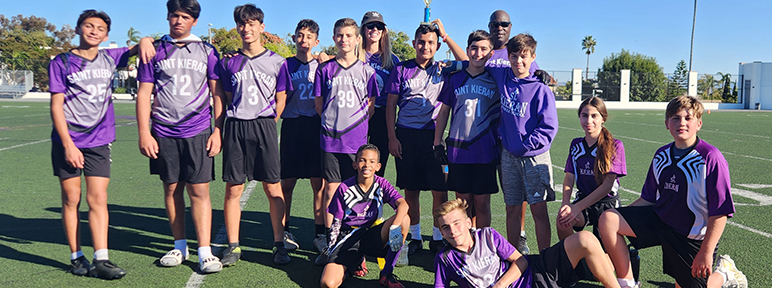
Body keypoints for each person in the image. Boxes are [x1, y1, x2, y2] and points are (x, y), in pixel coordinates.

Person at [598, 96, 747, 288]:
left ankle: (725, 273)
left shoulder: (710, 157)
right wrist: (619, 219)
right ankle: (627, 284)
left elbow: (720, 212)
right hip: (661, 222)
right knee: (608, 219)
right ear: (667, 123)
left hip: (691, 236)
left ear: (699, 123)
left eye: (688, 118)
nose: (682, 123)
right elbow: (648, 198)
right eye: (675, 118)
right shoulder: (661, 155)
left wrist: (706, 252)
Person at [49, 9, 153, 280]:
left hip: (99, 140)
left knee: (99, 199)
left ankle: (101, 258)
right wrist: (68, 145)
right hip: (69, 140)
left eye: (99, 28)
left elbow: (140, 45)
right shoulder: (62, 62)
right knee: (72, 198)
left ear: (107, 35)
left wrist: (144, 40)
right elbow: (57, 106)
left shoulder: (110, 57)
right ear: (78, 28)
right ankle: (76, 257)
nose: (94, 31)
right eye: (88, 26)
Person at [136, 0, 225, 273]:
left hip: (197, 129)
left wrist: (218, 130)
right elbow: (144, 93)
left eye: (185, 16)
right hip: (163, 129)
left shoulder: (207, 51)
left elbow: (217, 93)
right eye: (174, 15)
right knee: (172, 188)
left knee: (199, 190)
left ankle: (205, 250)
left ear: (194, 21)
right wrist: (143, 132)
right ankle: (179, 245)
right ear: (167, 16)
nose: (178, 21)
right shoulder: (155, 50)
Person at [216, 4, 292, 266]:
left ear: (261, 27)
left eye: (251, 23)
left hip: (264, 126)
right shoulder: (228, 63)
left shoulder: (277, 62)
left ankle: (279, 244)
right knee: (233, 188)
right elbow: (226, 98)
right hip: (236, 126)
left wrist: (270, 120)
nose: (246, 28)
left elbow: (281, 98)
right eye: (241, 23)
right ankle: (233, 246)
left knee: (273, 187)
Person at [433, 198, 620, 288]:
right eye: (446, 227)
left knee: (585, 239)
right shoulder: (445, 259)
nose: (453, 231)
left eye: (456, 224)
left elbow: (521, 261)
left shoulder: (487, 235)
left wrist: (500, 285)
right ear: (441, 231)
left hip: (536, 272)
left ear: (467, 223)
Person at [314, 17, 378, 259]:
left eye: (349, 35)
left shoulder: (367, 72)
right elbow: (319, 105)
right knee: (331, 190)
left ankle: (353, 240)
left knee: (358, 191)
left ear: (357, 39)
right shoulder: (325, 69)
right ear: (334, 38)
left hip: (357, 141)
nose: (344, 40)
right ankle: (332, 242)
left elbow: (370, 106)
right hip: (331, 139)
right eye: (340, 35)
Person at [488, 33, 558, 253]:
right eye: (514, 56)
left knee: (538, 211)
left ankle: (544, 259)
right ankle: (514, 257)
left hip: (534, 158)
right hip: (509, 156)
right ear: (508, 57)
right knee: (512, 209)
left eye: (524, 56)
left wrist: (525, 145)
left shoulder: (541, 88)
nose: (519, 61)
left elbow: (549, 128)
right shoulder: (503, 76)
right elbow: (475, 61)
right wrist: (449, 64)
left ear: (533, 57)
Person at [385, 24, 449, 254]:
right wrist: (392, 137)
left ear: (438, 45)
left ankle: (438, 237)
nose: (425, 46)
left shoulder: (445, 69)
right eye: (421, 42)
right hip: (406, 135)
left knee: (439, 191)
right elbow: (391, 104)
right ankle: (414, 237)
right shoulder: (401, 69)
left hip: (433, 137)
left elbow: (472, 60)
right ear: (414, 43)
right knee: (411, 190)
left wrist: (446, 35)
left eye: (431, 42)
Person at [318, 144, 409, 288]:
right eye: (362, 160)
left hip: (373, 235)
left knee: (404, 218)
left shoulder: (382, 184)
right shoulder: (344, 188)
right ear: (355, 164)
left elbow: (403, 204)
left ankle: (386, 274)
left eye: (372, 161)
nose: (367, 164)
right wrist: (331, 248)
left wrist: (395, 227)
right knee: (327, 284)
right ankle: (351, 265)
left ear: (378, 166)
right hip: (349, 237)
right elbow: (336, 222)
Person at [433, 30, 499, 229]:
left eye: (483, 49)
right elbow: (444, 112)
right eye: (474, 48)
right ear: (468, 50)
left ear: (491, 53)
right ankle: (463, 243)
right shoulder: (455, 79)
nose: (478, 53)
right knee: (462, 205)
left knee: (482, 204)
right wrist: (437, 143)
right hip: (458, 150)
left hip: (485, 150)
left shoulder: (496, 79)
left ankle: (484, 245)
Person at [280, 19, 326, 254]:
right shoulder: (285, 65)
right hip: (292, 126)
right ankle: (284, 230)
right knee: (287, 182)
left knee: (318, 184)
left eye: (309, 36)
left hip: (315, 126)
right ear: (294, 38)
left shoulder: (323, 65)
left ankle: (320, 233)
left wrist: (327, 60)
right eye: (300, 35)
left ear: (316, 41)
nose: (303, 40)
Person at [557, 96, 626, 240]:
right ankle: (572, 260)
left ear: (603, 118)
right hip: (583, 201)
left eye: (594, 116)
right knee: (563, 221)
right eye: (584, 115)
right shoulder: (576, 145)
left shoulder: (615, 145)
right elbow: (569, 177)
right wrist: (566, 204)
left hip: (607, 204)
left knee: (604, 252)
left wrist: (577, 207)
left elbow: (607, 185)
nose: (589, 121)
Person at [359, 11, 400, 178]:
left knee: (376, 168)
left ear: (384, 31)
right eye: (370, 25)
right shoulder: (354, 56)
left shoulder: (392, 60)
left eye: (379, 26)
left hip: (382, 116)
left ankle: (375, 203)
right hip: (357, 114)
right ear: (362, 30)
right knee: (355, 164)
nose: (374, 29)